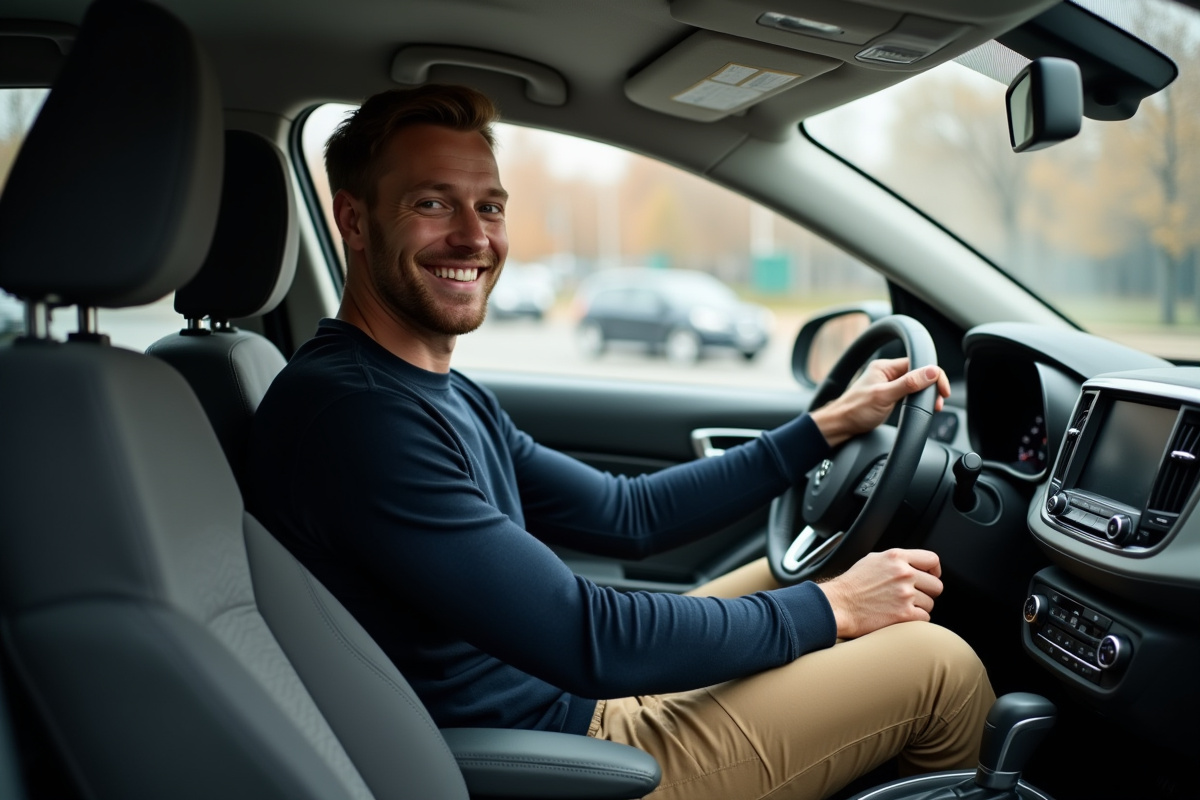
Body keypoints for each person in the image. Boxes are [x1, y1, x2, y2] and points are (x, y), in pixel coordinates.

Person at [247, 84, 995, 800]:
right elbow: (586, 636)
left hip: (566, 698)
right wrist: (833, 611)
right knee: (939, 667)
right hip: (561, 758)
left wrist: (826, 428)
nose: (473, 236)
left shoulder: (424, 387)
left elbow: (624, 514)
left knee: (802, 570)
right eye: (432, 203)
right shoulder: (361, 419)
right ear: (352, 219)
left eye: (490, 206)